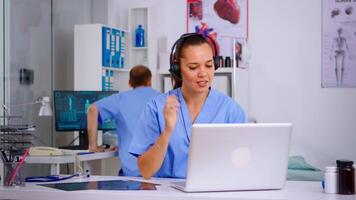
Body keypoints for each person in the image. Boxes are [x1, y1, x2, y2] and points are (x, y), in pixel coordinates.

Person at [129, 33, 246, 179]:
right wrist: (167, 131)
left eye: (209, 65)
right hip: (168, 194)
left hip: (213, 192)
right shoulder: (156, 107)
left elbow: (242, 165)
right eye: (193, 67)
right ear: (178, 69)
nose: (203, 73)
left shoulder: (231, 110)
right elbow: (146, 171)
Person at [87, 65, 160, 176]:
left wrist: (93, 146)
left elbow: (92, 109)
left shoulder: (120, 99)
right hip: (159, 171)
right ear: (150, 81)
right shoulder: (163, 98)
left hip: (132, 172)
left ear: (130, 83)